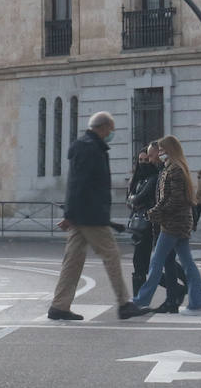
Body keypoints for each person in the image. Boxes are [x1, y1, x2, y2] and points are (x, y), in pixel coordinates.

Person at [48, 111, 147, 321]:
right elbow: (79, 184)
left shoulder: (86, 146)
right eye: (110, 130)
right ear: (102, 128)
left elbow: (77, 183)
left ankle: (59, 306)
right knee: (111, 256)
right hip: (91, 215)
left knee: (72, 261)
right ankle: (124, 303)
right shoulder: (91, 149)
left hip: (82, 215)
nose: (111, 134)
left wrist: (71, 215)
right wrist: (70, 214)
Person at [132, 135, 201, 315]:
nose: (159, 154)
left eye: (161, 150)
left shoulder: (174, 170)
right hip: (177, 222)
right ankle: (199, 302)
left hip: (173, 223)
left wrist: (153, 213)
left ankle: (140, 301)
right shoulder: (174, 168)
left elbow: (173, 200)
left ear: (170, 150)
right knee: (187, 264)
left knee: (156, 261)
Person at [129, 142, 186, 313]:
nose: (144, 162)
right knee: (156, 262)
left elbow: (141, 198)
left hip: (157, 224)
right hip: (143, 225)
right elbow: (131, 198)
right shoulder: (141, 177)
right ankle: (176, 294)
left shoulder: (160, 175)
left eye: (148, 158)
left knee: (157, 262)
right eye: (141, 159)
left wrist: (136, 201)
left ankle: (143, 300)